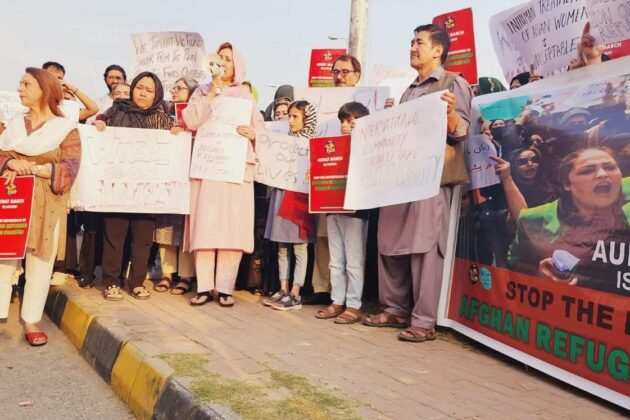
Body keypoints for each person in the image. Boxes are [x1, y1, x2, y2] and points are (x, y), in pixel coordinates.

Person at [363, 24, 472, 342]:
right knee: (390, 241)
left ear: (438, 50)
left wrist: (450, 114)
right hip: (399, 180)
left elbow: (463, 131)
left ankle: (423, 321)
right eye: (411, 42)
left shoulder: (454, 83)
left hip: (431, 179)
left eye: (419, 42)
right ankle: (395, 309)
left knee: (425, 247)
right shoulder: (407, 90)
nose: (412, 47)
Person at [0, 67, 81, 346]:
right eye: (20, 84)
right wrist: (11, 162)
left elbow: (70, 169)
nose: (19, 89)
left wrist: (33, 169)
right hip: (11, 199)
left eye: (26, 85)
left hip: (48, 204)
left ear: (45, 90)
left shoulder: (66, 130)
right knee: (3, 256)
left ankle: (31, 320)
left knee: (41, 260)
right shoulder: (14, 125)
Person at [182, 42, 263, 307]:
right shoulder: (201, 91)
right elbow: (191, 121)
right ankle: (204, 287)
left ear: (237, 65)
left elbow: (261, 130)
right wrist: (210, 95)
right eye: (220, 58)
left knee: (232, 227)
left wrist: (254, 134)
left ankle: (226, 288)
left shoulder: (245, 96)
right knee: (205, 226)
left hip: (235, 169)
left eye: (229, 59)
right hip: (207, 167)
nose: (224, 63)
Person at [94, 71, 180, 301]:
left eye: (149, 90)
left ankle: (137, 282)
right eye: (140, 88)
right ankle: (111, 282)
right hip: (118, 188)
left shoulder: (163, 120)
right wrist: (99, 124)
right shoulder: (116, 111)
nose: (143, 93)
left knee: (142, 240)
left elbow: (173, 149)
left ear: (157, 94)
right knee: (114, 237)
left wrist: (175, 134)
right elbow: (99, 125)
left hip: (147, 192)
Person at [508, 147, 630, 296]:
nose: (603, 174)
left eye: (610, 167)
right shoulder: (533, 220)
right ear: (566, 184)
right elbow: (515, 265)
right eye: (587, 171)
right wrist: (538, 276)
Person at [304, 53, 364, 306]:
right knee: (325, 242)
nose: (339, 76)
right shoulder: (321, 102)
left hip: (353, 198)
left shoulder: (365, 103)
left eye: (345, 72)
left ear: (357, 75)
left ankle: (352, 300)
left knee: (353, 253)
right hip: (327, 187)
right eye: (335, 72)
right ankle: (325, 290)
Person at [315, 102, 370, 323]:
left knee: (354, 260)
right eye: (342, 121)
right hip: (332, 208)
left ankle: (354, 305)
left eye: (349, 121)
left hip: (356, 212)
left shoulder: (367, 148)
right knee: (336, 260)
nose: (344, 125)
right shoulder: (333, 147)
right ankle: (337, 300)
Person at [261, 101, 318, 310]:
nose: (291, 121)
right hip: (281, 195)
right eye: (290, 116)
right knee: (282, 247)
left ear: (307, 119)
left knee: (299, 247)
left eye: (295, 117)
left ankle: (295, 293)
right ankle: (283, 289)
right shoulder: (283, 141)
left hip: (298, 199)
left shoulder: (313, 143)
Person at [154, 76, 199, 294]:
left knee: (187, 227)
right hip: (169, 179)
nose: (174, 91)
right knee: (166, 227)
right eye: (173, 88)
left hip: (190, 179)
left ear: (192, 93)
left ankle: (186, 276)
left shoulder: (199, 118)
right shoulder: (164, 115)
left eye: (180, 88)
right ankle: (166, 274)